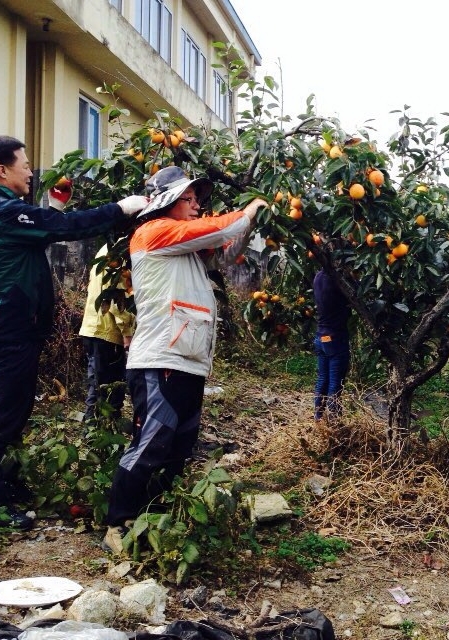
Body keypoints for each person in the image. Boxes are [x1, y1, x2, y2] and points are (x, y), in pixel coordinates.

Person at [0, 135, 148, 530]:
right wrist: (122, 208)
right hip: (7, 330)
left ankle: (1, 483)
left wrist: (53, 205)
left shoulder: (7, 211)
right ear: (3, 170)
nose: (31, 170)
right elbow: (61, 228)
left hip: (15, 329)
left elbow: (42, 228)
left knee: (13, 418)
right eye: (25, 164)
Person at [104, 166, 267, 552]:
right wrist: (251, 209)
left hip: (187, 360)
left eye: (198, 200)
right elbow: (220, 229)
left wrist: (248, 225)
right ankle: (116, 523)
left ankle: (152, 518)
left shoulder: (185, 247)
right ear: (166, 201)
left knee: (180, 444)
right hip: (159, 358)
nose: (197, 206)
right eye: (189, 199)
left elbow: (230, 247)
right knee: (151, 444)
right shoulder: (154, 232)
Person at [78, 244, 136, 422]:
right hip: (107, 332)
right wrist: (127, 333)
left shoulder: (105, 250)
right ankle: (96, 435)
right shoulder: (119, 255)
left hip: (95, 328)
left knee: (100, 387)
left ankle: (97, 434)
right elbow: (118, 302)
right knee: (106, 391)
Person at [313, 267, 351, 422]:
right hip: (335, 338)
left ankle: (318, 418)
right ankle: (333, 422)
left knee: (323, 379)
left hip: (321, 337)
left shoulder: (318, 276)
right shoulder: (337, 279)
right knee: (335, 384)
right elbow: (356, 293)